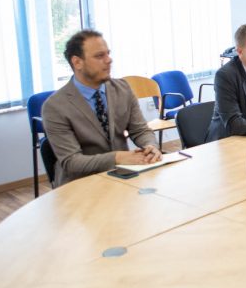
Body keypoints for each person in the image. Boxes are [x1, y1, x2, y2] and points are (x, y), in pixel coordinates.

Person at [42, 30, 161, 187]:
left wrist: (150, 146)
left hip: (122, 176)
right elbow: (72, 162)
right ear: (77, 62)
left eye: (108, 54)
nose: (109, 60)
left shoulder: (123, 89)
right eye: (99, 56)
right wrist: (117, 157)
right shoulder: (55, 106)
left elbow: (140, 130)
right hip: (80, 185)